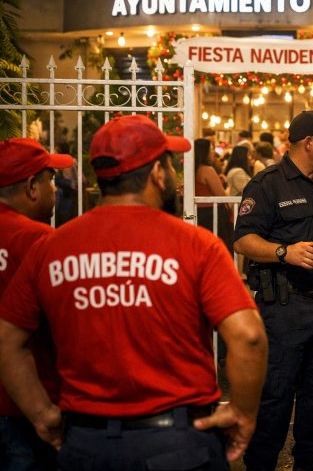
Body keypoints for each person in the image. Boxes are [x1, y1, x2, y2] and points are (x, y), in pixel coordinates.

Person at [0, 115, 268, 469]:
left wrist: (42, 414)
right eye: (169, 165)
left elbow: (6, 339)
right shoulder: (196, 244)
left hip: (86, 442)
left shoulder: (52, 248)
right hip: (178, 443)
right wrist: (243, 414)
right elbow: (249, 337)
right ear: (158, 173)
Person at [234, 110, 313, 471]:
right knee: (276, 392)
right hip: (286, 306)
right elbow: (243, 240)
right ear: (308, 143)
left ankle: (310, 458)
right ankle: (261, 462)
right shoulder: (267, 184)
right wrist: (283, 252)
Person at [0, 138, 73, 470]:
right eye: (50, 179)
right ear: (32, 186)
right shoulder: (37, 239)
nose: (54, 188)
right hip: (28, 406)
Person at [195, 138, 234, 252]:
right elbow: (220, 194)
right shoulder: (207, 170)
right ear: (204, 152)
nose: (213, 152)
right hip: (212, 213)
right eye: (211, 149)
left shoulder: (195, 169)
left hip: (201, 213)